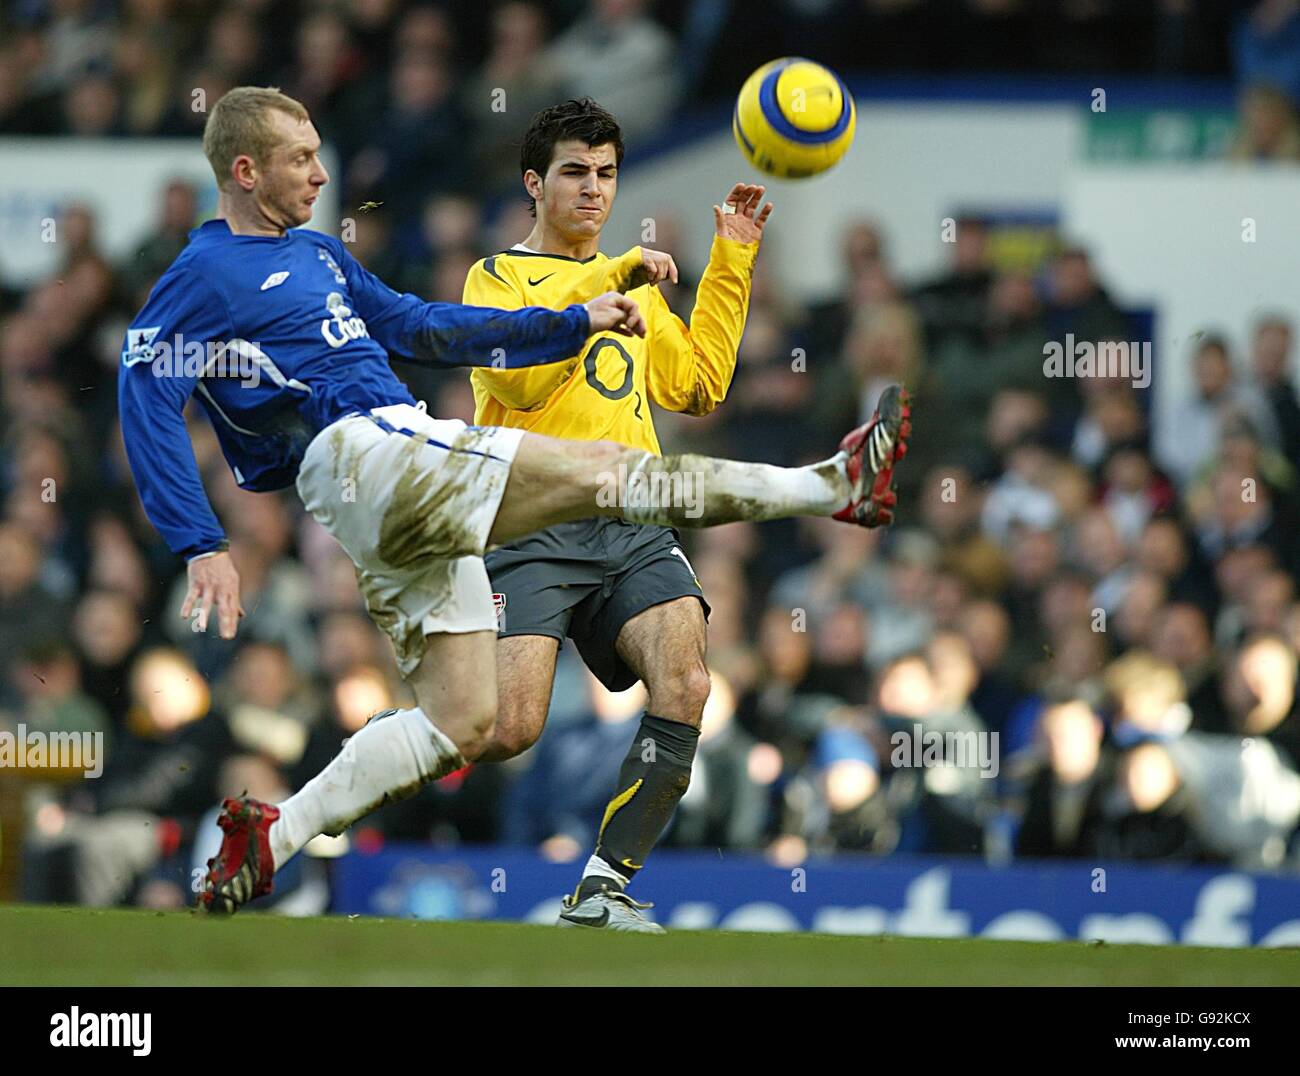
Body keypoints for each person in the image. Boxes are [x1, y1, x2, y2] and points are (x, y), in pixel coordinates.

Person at [117, 86, 911, 918]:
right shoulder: (204, 271)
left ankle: (273, 835)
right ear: (244, 171)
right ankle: (833, 483)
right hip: (374, 452)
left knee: (469, 722)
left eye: (319, 152)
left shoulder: (320, 256)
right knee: (612, 470)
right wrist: (200, 541)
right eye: (300, 159)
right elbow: (144, 391)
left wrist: (583, 318)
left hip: (393, 489)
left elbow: (426, 327)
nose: (321, 173)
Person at [461, 98, 772, 930]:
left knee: (689, 679)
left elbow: (697, 387)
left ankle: (603, 885)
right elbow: (518, 381)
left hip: (630, 516)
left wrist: (732, 260)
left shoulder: (633, 285)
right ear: (535, 182)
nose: (593, 189)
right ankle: (378, 750)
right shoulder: (496, 279)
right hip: (532, 518)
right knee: (510, 727)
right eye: (574, 172)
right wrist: (609, 281)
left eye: (606, 174)